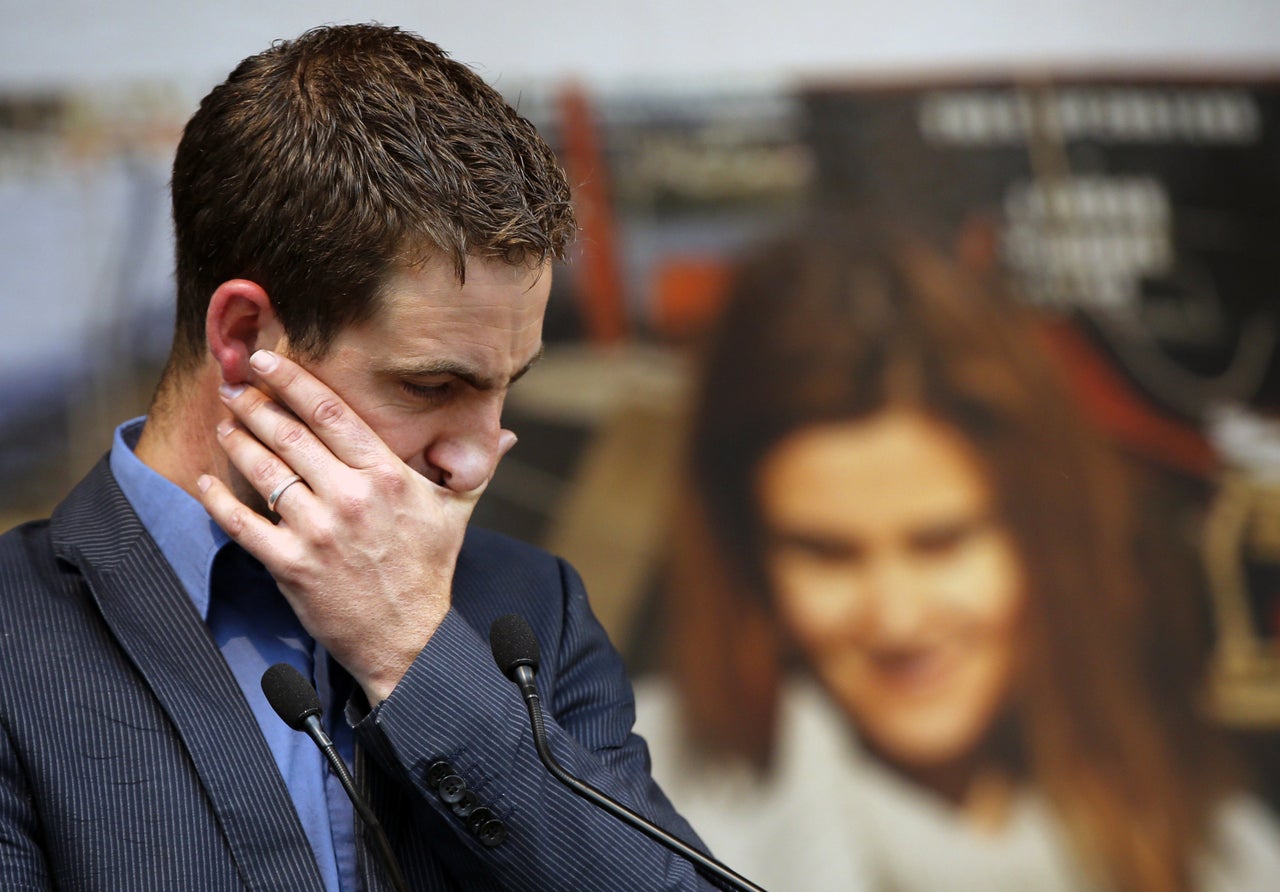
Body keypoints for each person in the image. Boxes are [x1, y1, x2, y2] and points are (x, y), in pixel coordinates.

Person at [0, 24, 715, 891]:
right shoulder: (17, 638)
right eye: (430, 386)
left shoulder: (532, 613)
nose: (477, 458)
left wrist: (414, 656)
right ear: (243, 335)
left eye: (507, 386)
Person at [632, 219, 1280, 892]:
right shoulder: (619, 801)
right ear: (746, 556)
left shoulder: (1207, 841)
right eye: (826, 554)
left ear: (1043, 537)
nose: (897, 620)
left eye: (943, 543)